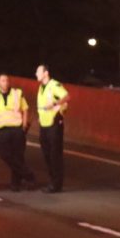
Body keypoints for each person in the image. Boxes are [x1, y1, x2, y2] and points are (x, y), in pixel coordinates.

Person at [35, 65, 70, 193]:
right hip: (44, 124)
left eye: (38, 72)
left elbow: (67, 96)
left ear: (46, 73)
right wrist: (40, 116)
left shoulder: (54, 85)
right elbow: (42, 105)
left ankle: (56, 184)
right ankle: (53, 181)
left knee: (55, 155)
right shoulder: (41, 87)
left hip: (54, 124)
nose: (36, 74)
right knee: (47, 154)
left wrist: (55, 104)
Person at [0, 74, 36, 191]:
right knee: (5, 154)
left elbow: (25, 109)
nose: (5, 82)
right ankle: (28, 175)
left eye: (6, 80)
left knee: (18, 156)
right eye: (2, 80)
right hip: (2, 129)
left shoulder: (16, 93)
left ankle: (16, 184)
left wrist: (24, 125)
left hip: (17, 129)